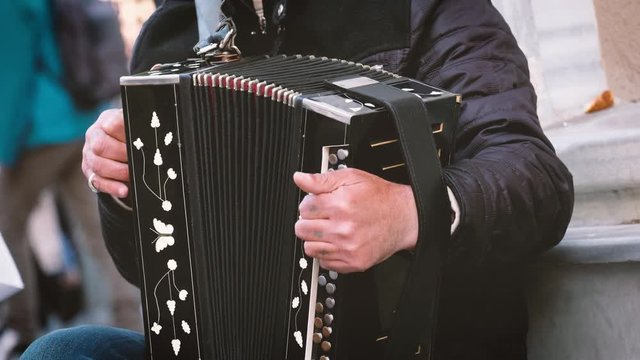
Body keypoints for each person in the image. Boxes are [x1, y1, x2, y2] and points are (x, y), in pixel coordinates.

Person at [22, 0, 574, 359]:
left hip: (412, 343)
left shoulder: (422, 8)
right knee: (63, 353)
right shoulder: (170, 36)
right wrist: (123, 187)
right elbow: (149, 271)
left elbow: (536, 178)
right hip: (225, 348)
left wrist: (409, 213)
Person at [0, 0, 141, 352]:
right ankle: (132, 320)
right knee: (97, 230)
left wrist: (3, 152)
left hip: (40, 130)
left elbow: (13, 72)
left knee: (8, 224)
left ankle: (23, 329)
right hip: (83, 115)